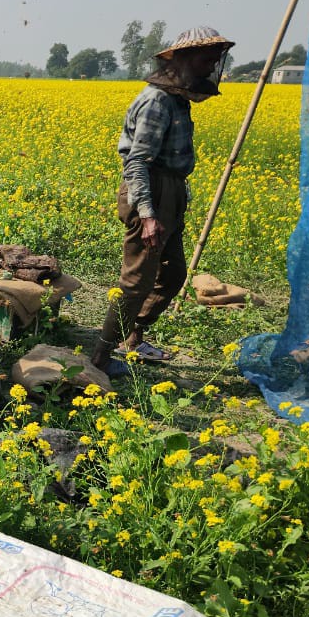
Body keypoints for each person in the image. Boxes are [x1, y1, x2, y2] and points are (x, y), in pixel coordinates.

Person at [91, 27, 234, 375]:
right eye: (206, 58)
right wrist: (149, 214)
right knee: (136, 281)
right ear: (182, 58)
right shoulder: (157, 101)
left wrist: (177, 197)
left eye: (215, 59)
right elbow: (137, 161)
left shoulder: (176, 99)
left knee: (172, 275)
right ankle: (99, 359)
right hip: (150, 192)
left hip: (168, 191)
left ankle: (133, 337)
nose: (211, 65)